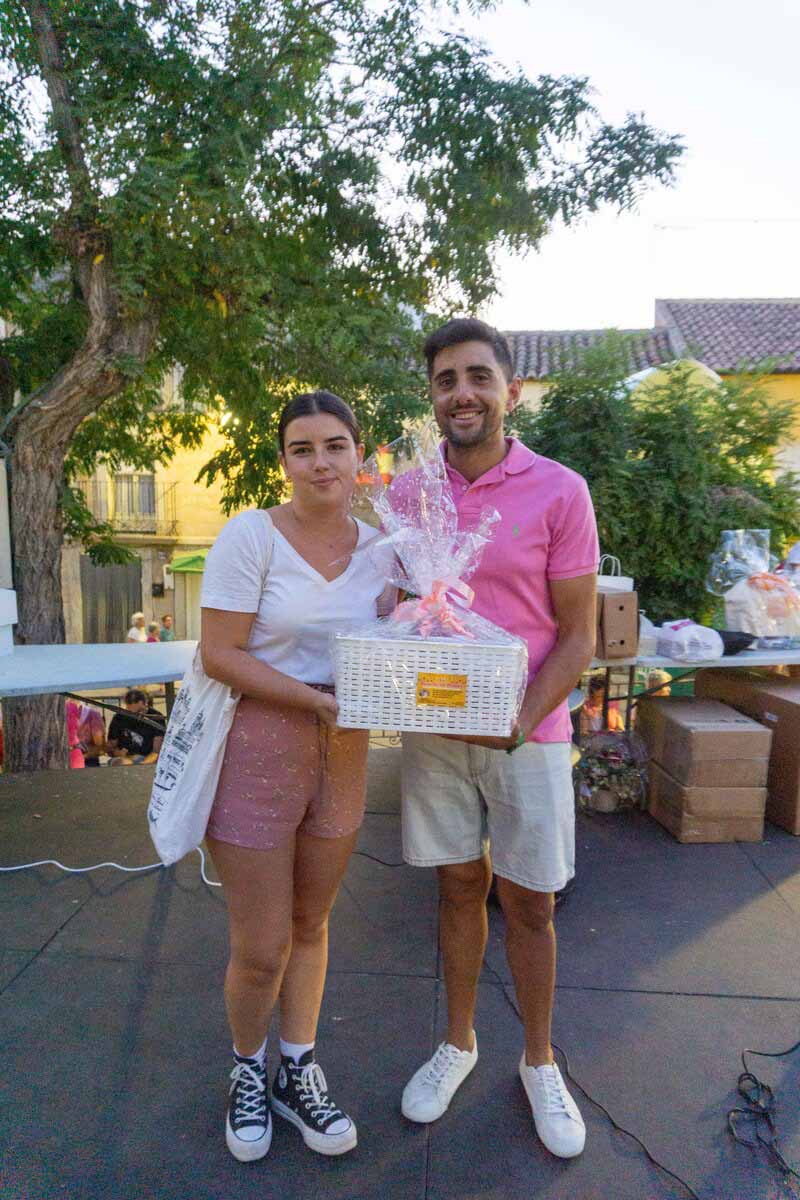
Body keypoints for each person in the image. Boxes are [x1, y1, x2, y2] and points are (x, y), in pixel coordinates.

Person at [400, 319, 598, 1159]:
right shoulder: (408, 494)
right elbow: (391, 608)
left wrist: (517, 721)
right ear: (433, 396)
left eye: (478, 376)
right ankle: (458, 1042)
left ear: (510, 391)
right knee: (456, 888)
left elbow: (579, 635)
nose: (463, 393)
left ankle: (539, 1059)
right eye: (447, 380)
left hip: (531, 730)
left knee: (531, 902)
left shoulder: (560, 491)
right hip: (436, 728)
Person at [200, 390, 391, 1165]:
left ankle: (296, 1069)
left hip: (344, 750)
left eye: (335, 445)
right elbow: (220, 652)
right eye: (302, 448)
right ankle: (248, 1069)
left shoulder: (386, 548)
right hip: (259, 743)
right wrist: (312, 700)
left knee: (312, 924)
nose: (320, 462)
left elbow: (401, 643)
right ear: (283, 461)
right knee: (261, 945)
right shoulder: (251, 536)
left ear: (358, 454)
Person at [107, 688, 165, 764]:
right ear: (127, 705)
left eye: (140, 711)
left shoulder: (156, 717)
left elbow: (156, 751)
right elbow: (110, 747)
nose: (137, 716)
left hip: (147, 758)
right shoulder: (119, 718)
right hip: (124, 758)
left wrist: (142, 765)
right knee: (122, 762)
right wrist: (117, 753)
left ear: (146, 703)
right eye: (131, 712)